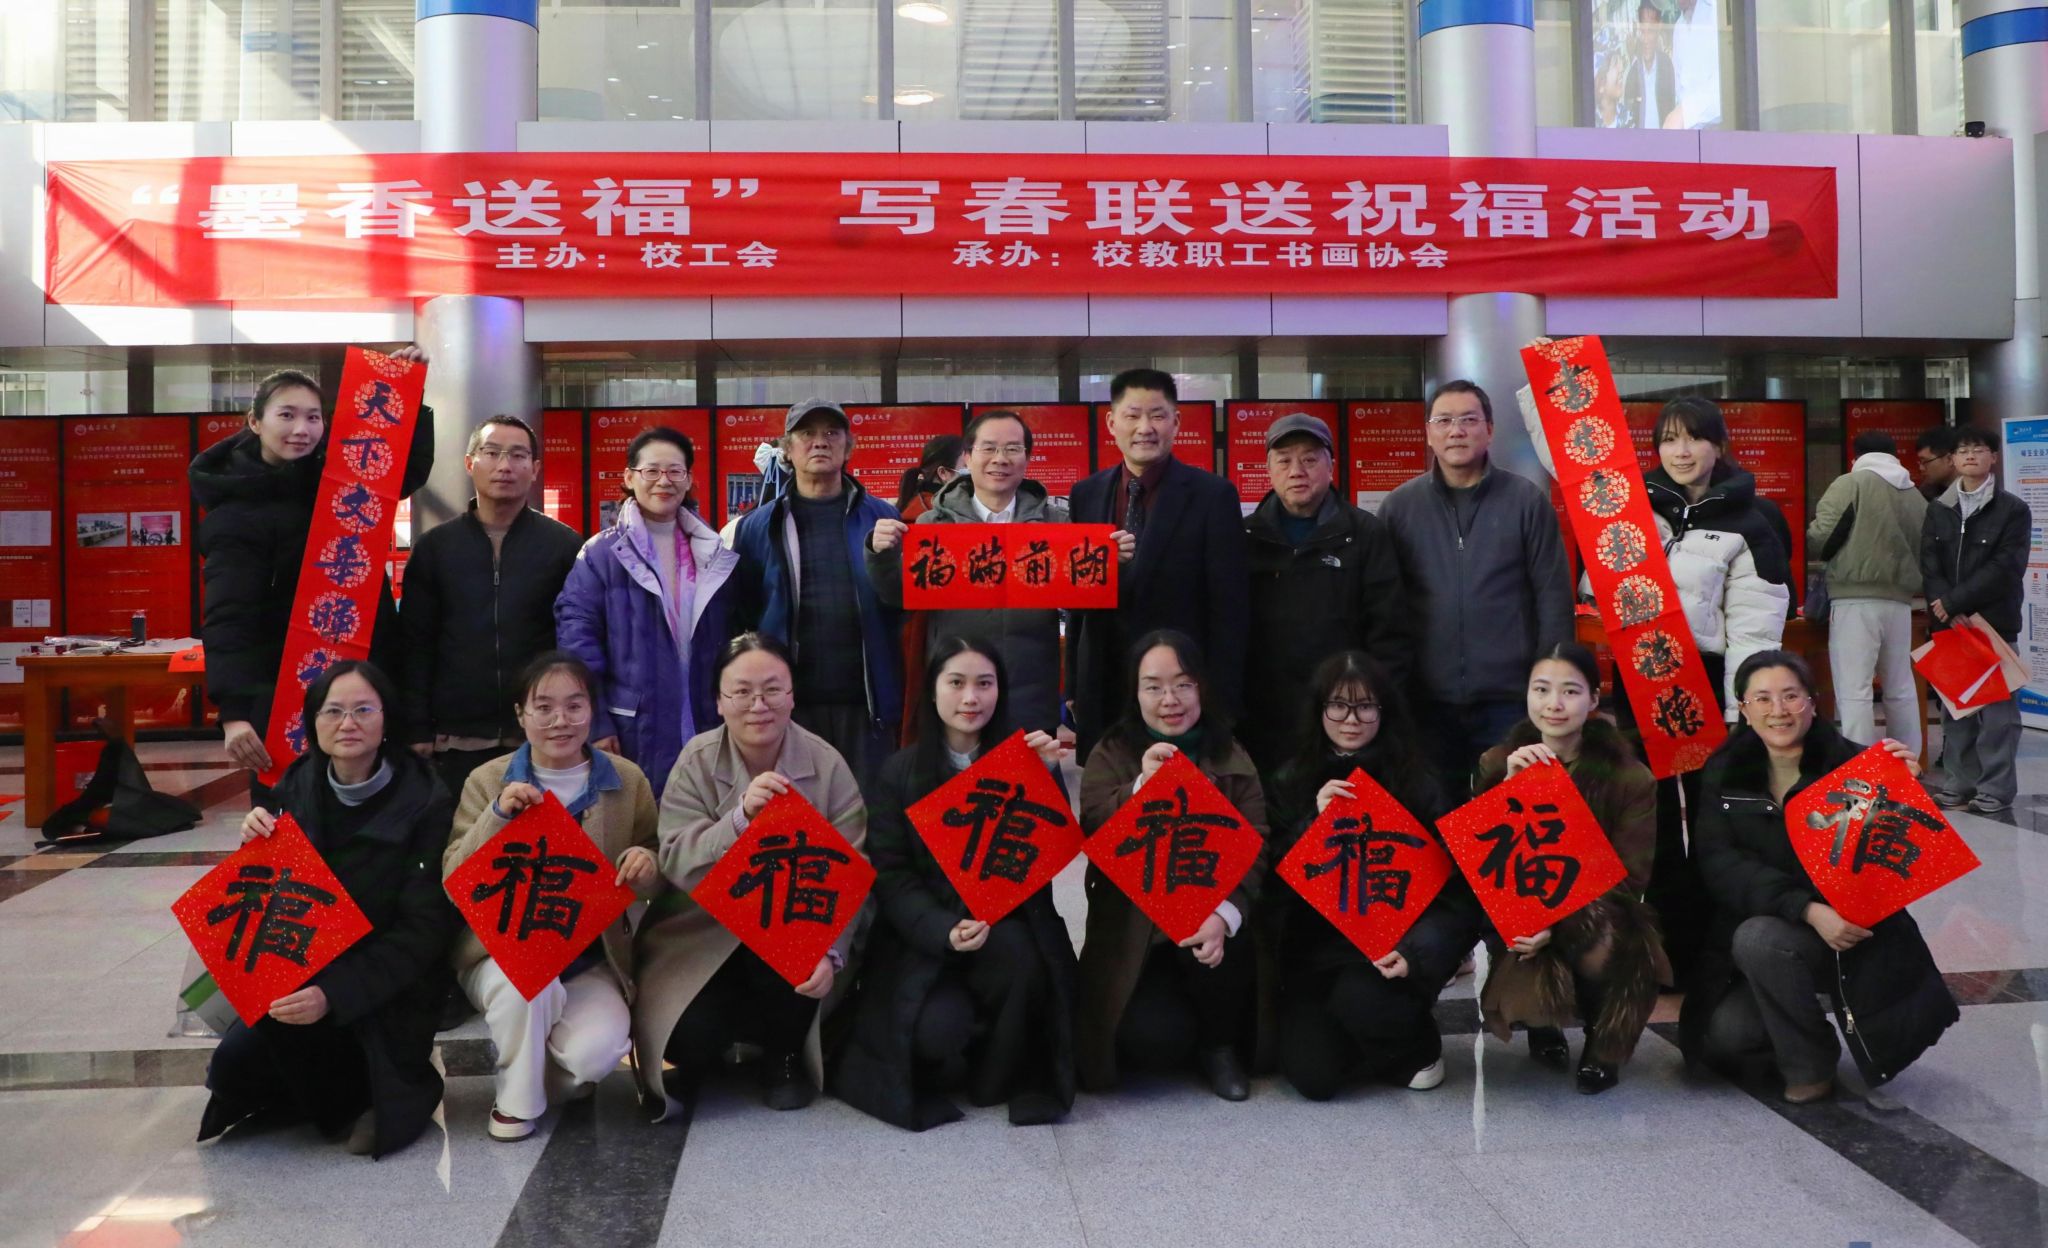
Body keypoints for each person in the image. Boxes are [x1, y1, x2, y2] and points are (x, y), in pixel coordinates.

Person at [200, 660, 460, 1158]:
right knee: (229, 1071)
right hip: (307, 969)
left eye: (364, 710)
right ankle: (327, 1092)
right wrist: (253, 844)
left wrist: (333, 994)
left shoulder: (426, 798)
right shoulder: (296, 784)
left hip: (386, 988)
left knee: (353, 1091)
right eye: (333, 711)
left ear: (386, 718)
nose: (348, 724)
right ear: (313, 721)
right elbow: (270, 897)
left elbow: (423, 932)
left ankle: (397, 1089)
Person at [1681, 651, 1956, 1103]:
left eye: (1791, 696)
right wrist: (1806, 909)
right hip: (1782, 923)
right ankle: (1805, 1031)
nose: (1778, 710)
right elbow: (1719, 864)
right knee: (1727, 1034)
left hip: (1851, 930)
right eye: (1762, 698)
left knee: (1759, 939)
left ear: (1813, 702)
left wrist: (1905, 790)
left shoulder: (1853, 765)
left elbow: (1897, 859)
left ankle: (1809, 1067)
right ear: (1743, 709)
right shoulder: (1725, 771)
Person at [832, 637, 1079, 1130]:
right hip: (924, 939)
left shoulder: (1019, 760)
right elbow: (892, 875)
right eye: (957, 683)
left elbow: (1045, 850)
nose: (971, 698)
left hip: (1000, 926)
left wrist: (1045, 777)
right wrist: (942, 927)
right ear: (932, 690)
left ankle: (997, 1074)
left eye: (985, 684)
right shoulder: (899, 772)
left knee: (1025, 963)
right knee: (936, 1028)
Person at [631, 633, 867, 1117]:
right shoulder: (696, 760)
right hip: (702, 931)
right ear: (719, 701)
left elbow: (855, 872)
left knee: (794, 954)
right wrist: (738, 819)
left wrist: (831, 951)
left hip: (794, 934)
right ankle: (714, 1045)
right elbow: (674, 857)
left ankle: (784, 1056)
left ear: (793, 695)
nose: (759, 705)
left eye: (773, 690)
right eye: (741, 692)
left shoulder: (826, 765)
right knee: (687, 1037)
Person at [444, 652, 661, 1141]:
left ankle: (534, 1070)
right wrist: (498, 816)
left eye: (574, 705)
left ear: (592, 710)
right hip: (500, 952)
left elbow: (652, 856)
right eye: (543, 707)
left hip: (590, 958)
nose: (560, 720)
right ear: (520, 714)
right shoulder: (487, 780)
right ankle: (515, 1106)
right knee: (530, 983)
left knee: (596, 1055)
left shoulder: (626, 780)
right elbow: (454, 879)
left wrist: (646, 864)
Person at [191, 354, 433, 791]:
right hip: (282, 690)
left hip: (363, 682)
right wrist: (234, 712)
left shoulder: (337, 479)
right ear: (255, 422)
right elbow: (229, 615)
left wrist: (406, 392)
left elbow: (400, 470)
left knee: (372, 809)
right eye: (286, 415)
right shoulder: (235, 511)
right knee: (293, 813)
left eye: (313, 417)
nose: (301, 429)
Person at [1265, 651, 1482, 1100]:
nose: (1351, 719)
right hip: (1314, 956)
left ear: (1384, 711)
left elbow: (1457, 889)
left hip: (1390, 952)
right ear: (1319, 710)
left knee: (1364, 1003)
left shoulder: (1418, 780)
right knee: (1313, 1079)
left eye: (1365, 706)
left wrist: (1415, 953)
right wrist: (1314, 823)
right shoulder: (1291, 779)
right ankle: (1364, 1043)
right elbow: (1271, 879)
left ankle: (1415, 1045)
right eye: (1338, 706)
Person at [1076, 630, 1266, 1101]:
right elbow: (1094, 829)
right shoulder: (1111, 752)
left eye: (1183, 684)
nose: (1170, 700)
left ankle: (1220, 1046)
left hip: (1210, 930)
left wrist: (1223, 914)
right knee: (1152, 1041)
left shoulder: (1231, 753)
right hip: (1137, 933)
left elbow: (1257, 845)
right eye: (1154, 687)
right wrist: (1142, 786)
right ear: (1135, 693)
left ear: (1202, 687)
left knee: (1227, 947)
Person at [1474, 645, 1670, 1094]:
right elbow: (1484, 861)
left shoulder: (1629, 777)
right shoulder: (1497, 762)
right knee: (1522, 963)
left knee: (1607, 942)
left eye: (1570, 691)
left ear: (1594, 699)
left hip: (1598, 914)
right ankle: (1543, 1026)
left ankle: (1604, 1043)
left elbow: (1629, 879)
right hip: (1525, 913)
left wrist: (1556, 921)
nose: (1554, 704)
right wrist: (1508, 789)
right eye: (1541, 690)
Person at [1380, 380, 1573, 787]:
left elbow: (1552, 598)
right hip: (1425, 702)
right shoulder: (1399, 507)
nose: (1456, 431)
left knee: (1509, 808)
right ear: (1428, 433)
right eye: (1444, 421)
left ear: (1490, 430)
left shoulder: (1526, 501)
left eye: (1469, 420)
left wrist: (1548, 686)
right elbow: (1385, 606)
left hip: (1510, 700)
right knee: (1435, 810)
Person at [1068, 369, 1249, 760]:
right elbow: (1079, 600)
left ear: (1176, 422)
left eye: (1157, 415)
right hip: (1104, 685)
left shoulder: (1212, 496)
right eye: (1133, 415)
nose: (1145, 428)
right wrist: (1073, 685)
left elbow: (1230, 609)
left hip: (1177, 694)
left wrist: (1222, 699)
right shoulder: (1086, 494)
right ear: (1112, 423)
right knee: (1109, 789)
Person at [555, 426, 747, 795]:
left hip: (707, 718)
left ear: (688, 479)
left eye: (675, 471)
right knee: (638, 818)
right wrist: (596, 723)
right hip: (633, 727)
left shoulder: (714, 553)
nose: (664, 481)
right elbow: (577, 643)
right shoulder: (601, 555)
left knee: (706, 813)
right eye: (652, 471)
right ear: (630, 477)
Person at [401, 416, 584, 798]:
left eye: (518, 455)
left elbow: (577, 641)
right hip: (454, 740)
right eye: (492, 453)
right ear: (470, 463)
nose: (504, 465)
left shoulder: (564, 546)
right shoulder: (436, 548)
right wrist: (415, 725)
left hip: (542, 737)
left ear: (534, 469)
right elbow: (415, 644)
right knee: (464, 834)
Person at [729, 399, 904, 787]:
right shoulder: (758, 526)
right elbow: (743, 616)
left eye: (831, 433)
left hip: (867, 702)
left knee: (868, 809)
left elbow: (899, 605)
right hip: (790, 705)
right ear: (787, 450)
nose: (820, 442)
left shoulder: (883, 518)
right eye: (807, 433)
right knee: (797, 811)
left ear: (848, 446)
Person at [869, 409, 1070, 736]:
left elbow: (1082, 604)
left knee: (1030, 771)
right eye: (988, 448)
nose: (1000, 459)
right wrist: (880, 554)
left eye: (1012, 449)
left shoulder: (1056, 525)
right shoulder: (933, 525)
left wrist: (1113, 563)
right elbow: (898, 596)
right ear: (967, 456)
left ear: (1027, 458)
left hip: (1031, 702)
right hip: (957, 702)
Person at [1242, 412, 1410, 772]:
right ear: (1268, 470)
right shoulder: (1244, 537)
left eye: (1309, 459)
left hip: (1343, 716)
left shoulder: (1365, 534)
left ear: (1331, 466)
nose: (1296, 471)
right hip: (1264, 716)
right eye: (1284, 461)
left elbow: (1390, 632)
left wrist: (1374, 709)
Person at [1922, 425, 2032, 815]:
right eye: (1963, 450)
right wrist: (1945, 606)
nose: (1971, 456)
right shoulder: (1938, 509)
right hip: (1950, 625)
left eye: (1980, 449)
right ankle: (1959, 783)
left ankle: (1995, 789)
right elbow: (1929, 562)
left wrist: (1956, 601)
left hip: (1993, 624)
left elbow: (2007, 566)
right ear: (1952, 459)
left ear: (1993, 458)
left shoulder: (2012, 509)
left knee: (1998, 715)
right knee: (1956, 712)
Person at [1809, 431, 1928, 755]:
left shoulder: (1851, 483)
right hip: (1901, 601)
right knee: (1900, 685)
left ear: (1855, 456)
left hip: (1855, 597)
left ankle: (1859, 763)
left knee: (1855, 688)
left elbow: (1822, 536)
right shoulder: (1914, 495)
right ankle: (1908, 760)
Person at [1622, 1, 1676, 129]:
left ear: (1659, 29)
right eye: (1643, 31)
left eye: (1650, 31)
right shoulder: (1631, 74)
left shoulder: (1667, 66)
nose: (1646, 39)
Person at [1669, 0, 1721, 129]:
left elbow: (1726, 87)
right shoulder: (1679, 28)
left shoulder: (1717, 12)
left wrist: (1684, 114)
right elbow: (1679, 90)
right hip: (1690, 134)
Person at [896, 433, 967, 521]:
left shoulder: (924, 503)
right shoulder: (929, 513)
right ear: (943, 473)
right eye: (965, 466)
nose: (971, 470)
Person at [1914, 425, 1959, 501]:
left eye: (1925, 461)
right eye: (1920, 462)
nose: (1921, 468)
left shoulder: (1973, 491)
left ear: (1950, 459)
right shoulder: (1925, 493)